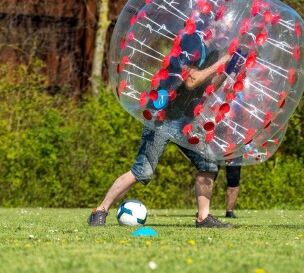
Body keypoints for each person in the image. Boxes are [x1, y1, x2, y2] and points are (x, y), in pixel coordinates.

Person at [88, 19, 241, 228]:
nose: (226, 38)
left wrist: (229, 70)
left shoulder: (213, 51)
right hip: (162, 115)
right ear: (212, 28)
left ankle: (203, 218)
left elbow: (208, 86)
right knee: (142, 171)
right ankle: (100, 210)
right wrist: (220, 63)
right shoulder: (191, 42)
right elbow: (191, 81)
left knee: (208, 163)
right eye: (225, 32)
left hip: (184, 118)